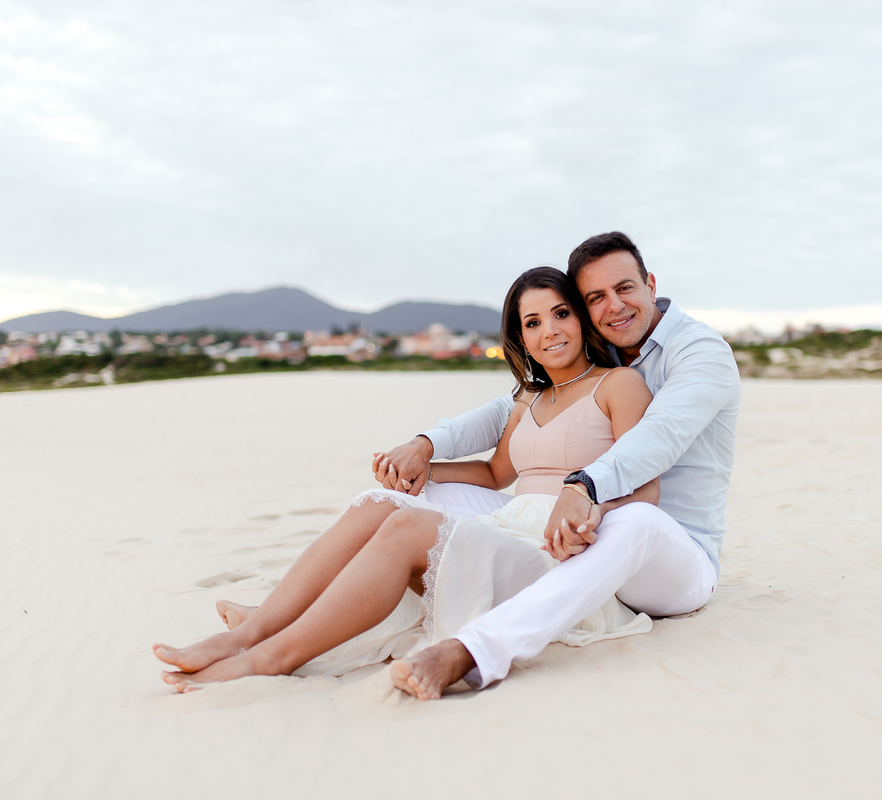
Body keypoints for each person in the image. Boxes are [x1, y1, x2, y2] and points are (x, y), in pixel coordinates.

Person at [152, 266, 659, 691]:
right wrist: (422, 470)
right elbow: (496, 473)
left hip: (564, 556)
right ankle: (254, 631)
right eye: (533, 322)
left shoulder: (618, 385)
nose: (550, 330)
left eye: (561, 313)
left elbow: (645, 489)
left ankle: (271, 656)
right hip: (510, 525)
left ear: (580, 317)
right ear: (520, 337)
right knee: (380, 502)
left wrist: (586, 517)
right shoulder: (530, 398)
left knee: (408, 529)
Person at [379, 231, 742, 700]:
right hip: (593, 535)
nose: (614, 306)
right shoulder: (610, 347)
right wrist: (427, 445)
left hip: (674, 556)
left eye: (625, 288)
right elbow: (507, 410)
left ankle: (475, 651)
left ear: (651, 284)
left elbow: (661, 436)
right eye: (596, 297)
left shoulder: (700, 351)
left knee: (637, 518)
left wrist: (583, 486)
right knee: (427, 497)